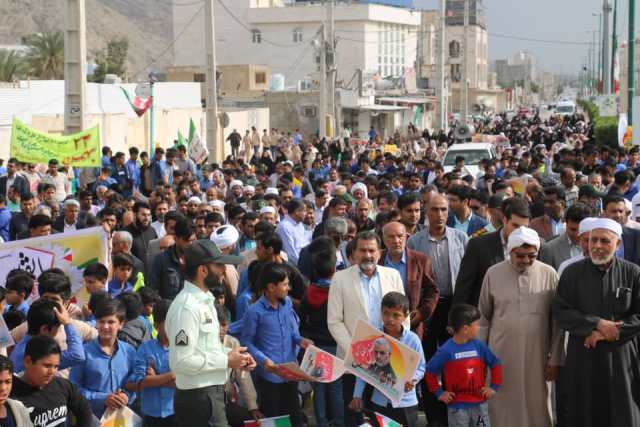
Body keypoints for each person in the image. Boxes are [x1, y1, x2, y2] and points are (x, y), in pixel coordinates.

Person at [552, 218, 640, 426]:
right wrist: (596, 323)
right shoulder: (572, 273)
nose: (597, 246)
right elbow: (561, 310)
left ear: (617, 245)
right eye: (594, 240)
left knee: (623, 412)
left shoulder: (633, 273)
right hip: (584, 356)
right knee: (584, 411)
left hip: (621, 356)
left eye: (604, 241)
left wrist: (605, 332)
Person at [477, 226, 563, 427]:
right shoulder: (493, 273)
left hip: (538, 354)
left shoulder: (549, 274)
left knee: (538, 404)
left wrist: (555, 358)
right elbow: (483, 318)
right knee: (501, 404)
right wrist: (481, 357)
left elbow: (557, 322)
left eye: (531, 256)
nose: (525, 260)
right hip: (500, 354)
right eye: (520, 256)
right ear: (510, 251)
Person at [166, 240, 255, 426]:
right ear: (203, 270)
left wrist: (237, 358)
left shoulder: (205, 302)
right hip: (199, 398)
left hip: (210, 395)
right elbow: (180, 361)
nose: (224, 270)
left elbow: (206, 349)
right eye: (219, 265)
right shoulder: (187, 307)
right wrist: (226, 360)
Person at [327, 230, 408, 426]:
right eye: (362, 250)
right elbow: (334, 321)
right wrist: (357, 351)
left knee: (384, 417)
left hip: (387, 361)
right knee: (355, 416)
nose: (367, 255)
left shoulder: (393, 275)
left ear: (379, 252)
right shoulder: (340, 279)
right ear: (353, 253)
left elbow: (403, 315)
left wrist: (398, 347)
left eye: (371, 250)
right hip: (353, 361)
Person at [406, 193, 468, 425]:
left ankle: (458, 414)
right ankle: (435, 418)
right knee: (429, 362)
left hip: (454, 305)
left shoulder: (461, 238)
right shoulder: (415, 241)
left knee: (456, 361)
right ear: (426, 212)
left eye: (443, 209)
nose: (439, 214)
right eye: (434, 210)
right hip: (427, 309)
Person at [242, 262, 312, 426]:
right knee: (276, 420)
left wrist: (300, 340)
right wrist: (263, 359)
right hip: (270, 377)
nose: (289, 288)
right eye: (285, 284)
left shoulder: (286, 303)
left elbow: (291, 332)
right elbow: (247, 341)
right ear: (271, 287)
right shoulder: (255, 311)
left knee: (294, 418)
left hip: (290, 373)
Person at [350, 292, 425, 427]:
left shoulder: (413, 340)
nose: (390, 319)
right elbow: (362, 368)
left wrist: (413, 380)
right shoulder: (372, 337)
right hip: (380, 401)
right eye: (386, 313)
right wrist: (357, 395)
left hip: (406, 402)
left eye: (396, 315)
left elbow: (421, 367)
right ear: (381, 313)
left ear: (406, 316)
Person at [425, 303, 502, 427]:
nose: (478, 327)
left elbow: (495, 364)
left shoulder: (479, 346)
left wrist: (493, 387)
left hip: (479, 405)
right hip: (457, 408)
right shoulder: (446, 350)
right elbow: (429, 372)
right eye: (476, 324)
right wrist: (439, 393)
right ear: (465, 329)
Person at [453, 196, 531, 306]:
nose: (519, 232)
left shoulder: (535, 248)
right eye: (515, 226)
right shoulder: (478, 246)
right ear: (505, 220)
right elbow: (463, 288)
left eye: (524, 227)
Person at [69, 299, 137, 418]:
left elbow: (135, 382)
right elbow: (73, 390)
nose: (105, 327)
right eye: (101, 322)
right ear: (96, 323)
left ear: (121, 324)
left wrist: (127, 395)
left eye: (111, 322)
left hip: (120, 419)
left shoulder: (129, 351)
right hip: (91, 419)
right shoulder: (84, 352)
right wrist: (103, 398)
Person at [299, 251, 343, 427]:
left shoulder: (309, 293)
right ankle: (340, 423)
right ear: (334, 269)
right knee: (336, 389)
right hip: (336, 347)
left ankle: (321, 422)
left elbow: (301, 319)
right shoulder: (339, 292)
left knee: (319, 389)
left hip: (315, 347)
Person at [11, 336, 94, 427]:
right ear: (28, 361)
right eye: (47, 366)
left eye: (56, 366)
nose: (52, 372)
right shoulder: (10, 396)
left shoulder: (63, 385)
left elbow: (84, 409)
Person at [380, 221, 439, 339]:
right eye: (391, 237)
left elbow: (433, 290)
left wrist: (422, 312)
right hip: (381, 324)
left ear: (406, 237)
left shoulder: (420, 260)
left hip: (411, 325)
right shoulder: (378, 260)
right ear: (384, 239)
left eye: (400, 236)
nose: (396, 240)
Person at [130, 299, 178, 427]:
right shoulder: (145, 348)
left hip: (177, 413)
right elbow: (141, 382)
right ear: (156, 326)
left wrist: (155, 378)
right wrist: (172, 375)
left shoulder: (183, 349)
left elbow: (186, 382)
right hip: (151, 415)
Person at [10, 300, 84, 374]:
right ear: (44, 329)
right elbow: (77, 355)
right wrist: (67, 323)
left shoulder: (24, 344)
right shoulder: (39, 352)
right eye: (58, 328)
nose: (58, 332)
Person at [538, 203, 591, 270]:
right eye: (573, 229)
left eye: (581, 230)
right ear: (565, 224)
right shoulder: (549, 249)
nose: (577, 234)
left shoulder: (596, 246)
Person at [275, 199, 311, 265]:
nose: (306, 214)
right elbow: (291, 254)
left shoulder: (300, 224)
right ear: (297, 211)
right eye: (304, 211)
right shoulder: (284, 227)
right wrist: (304, 267)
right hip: (295, 267)